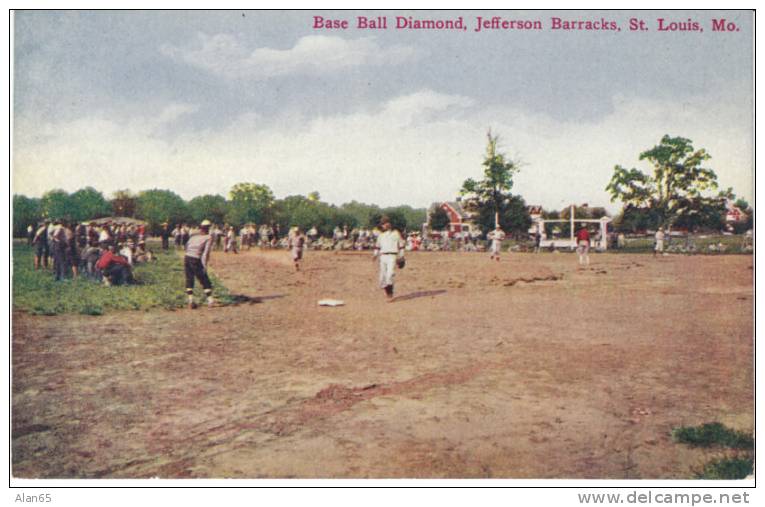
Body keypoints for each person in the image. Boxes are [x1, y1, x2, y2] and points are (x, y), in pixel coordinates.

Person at [184, 219, 215, 309]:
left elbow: (186, 246)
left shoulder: (193, 236)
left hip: (187, 257)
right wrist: (204, 265)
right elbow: (206, 253)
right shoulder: (208, 237)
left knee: (189, 278)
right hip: (196, 258)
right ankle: (210, 300)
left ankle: (191, 300)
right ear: (208, 228)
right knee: (204, 278)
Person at [373, 216, 405, 301]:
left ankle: (390, 294)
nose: (384, 225)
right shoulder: (381, 235)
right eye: (383, 224)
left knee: (390, 274)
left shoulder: (396, 233)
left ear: (389, 224)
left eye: (386, 223)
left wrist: (401, 256)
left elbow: (401, 245)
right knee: (382, 277)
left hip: (392, 255)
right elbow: (378, 246)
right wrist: (375, 254)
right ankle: (388, 290)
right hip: (383, 256)